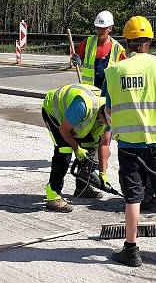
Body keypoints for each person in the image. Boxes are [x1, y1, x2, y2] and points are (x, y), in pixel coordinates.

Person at [103, 15, 156, 267]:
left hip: (129, 145)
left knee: (133, 198)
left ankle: (131, 250)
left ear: (126, 42)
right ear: (150, 40)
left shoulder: (114, 71)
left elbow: (108, 112)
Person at [70, 11, 125, 196]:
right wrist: (74, 60)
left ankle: (100, 176)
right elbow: (76, 62)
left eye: (104, 28)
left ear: (110, 28)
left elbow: (124, 73)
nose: (100, 31)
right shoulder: (88, 43)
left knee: (105, 141)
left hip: (107, 101)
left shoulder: (118, 49)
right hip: (88, 100)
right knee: (86, 141)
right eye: (98, 28)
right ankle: (83, 184)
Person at [42, 83, 111, 212]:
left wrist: (103, 173)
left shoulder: (111, 110)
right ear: (102, 113)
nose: (105, 124)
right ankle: (53, 194)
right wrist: (77, 148)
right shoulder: (83, 106)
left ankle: (82, 187)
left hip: (74, 117)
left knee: (91, 151)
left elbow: (104, 145)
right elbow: (64, 130)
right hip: (54, 112)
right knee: (64, 150)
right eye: (104, 121)